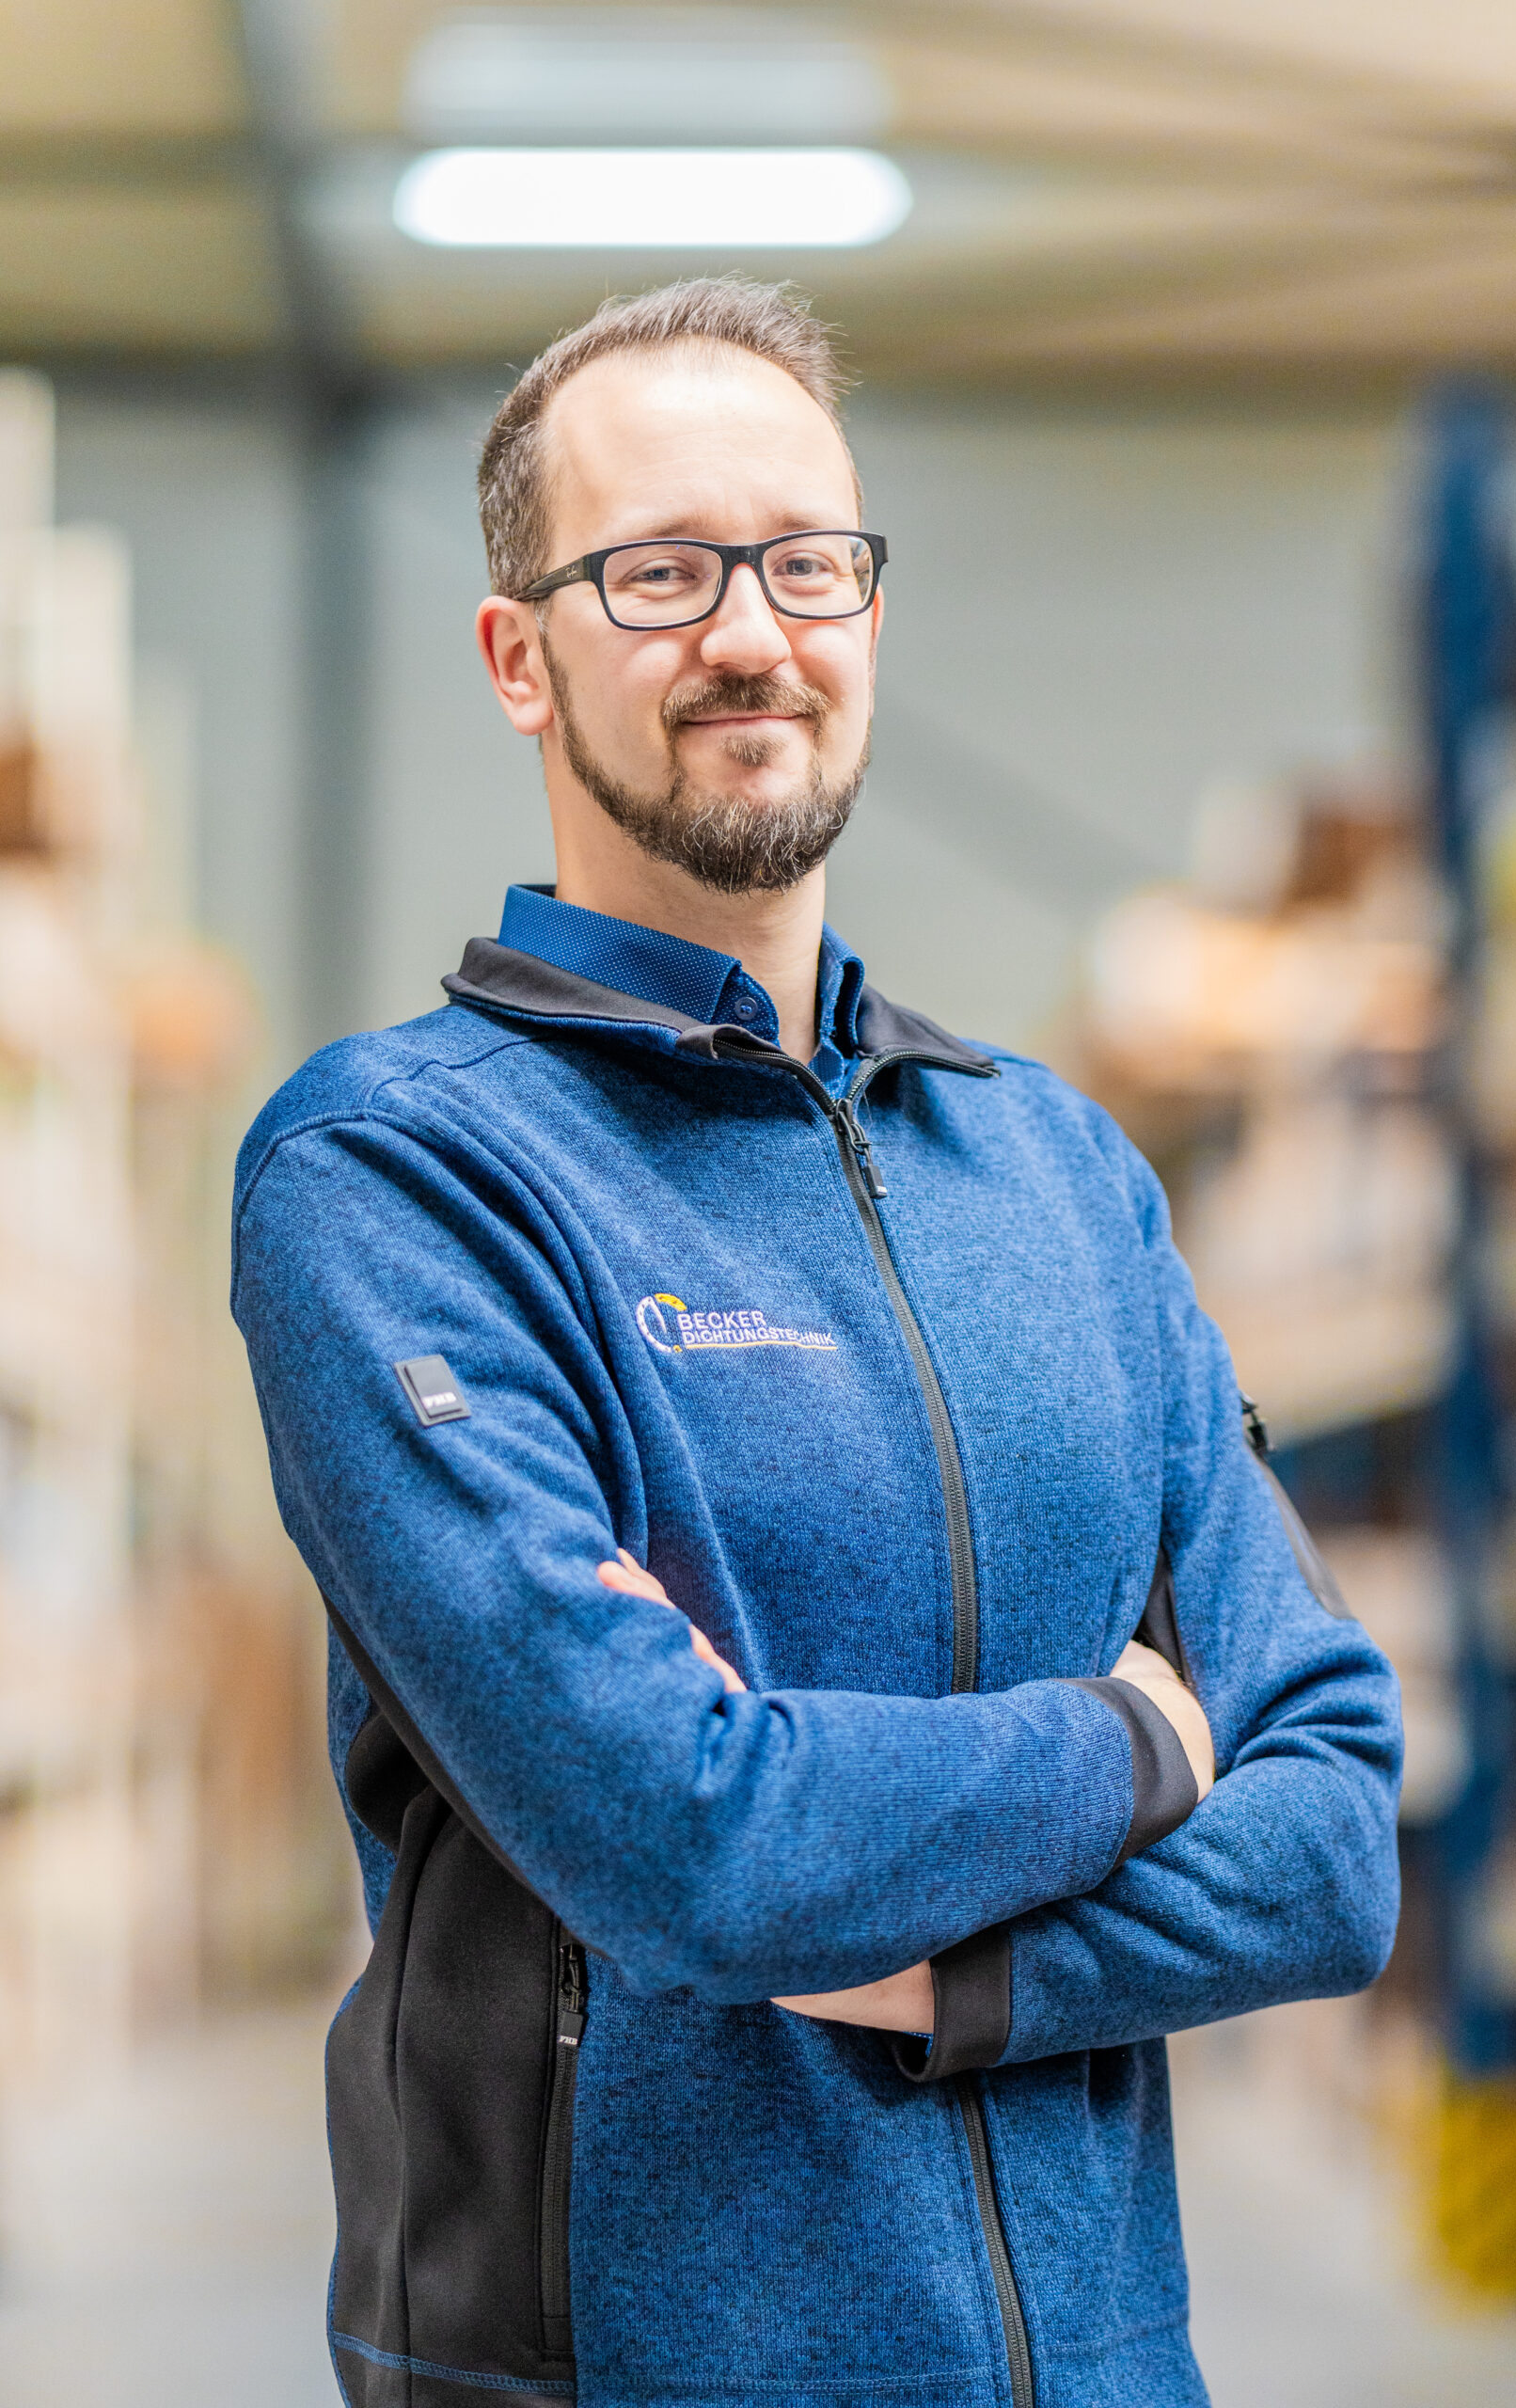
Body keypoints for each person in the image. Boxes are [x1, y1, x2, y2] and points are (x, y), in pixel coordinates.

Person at [232, 277, 1401, 2408]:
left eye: (804, 561)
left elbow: (1329, 1837)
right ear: (520, 652)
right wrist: (1133, 1742)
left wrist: (953, 1970)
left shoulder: (1052, 1171)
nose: (749, 634)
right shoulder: (399, 1174)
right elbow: (691, 1839)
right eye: (658, 571)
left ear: (864, 608)